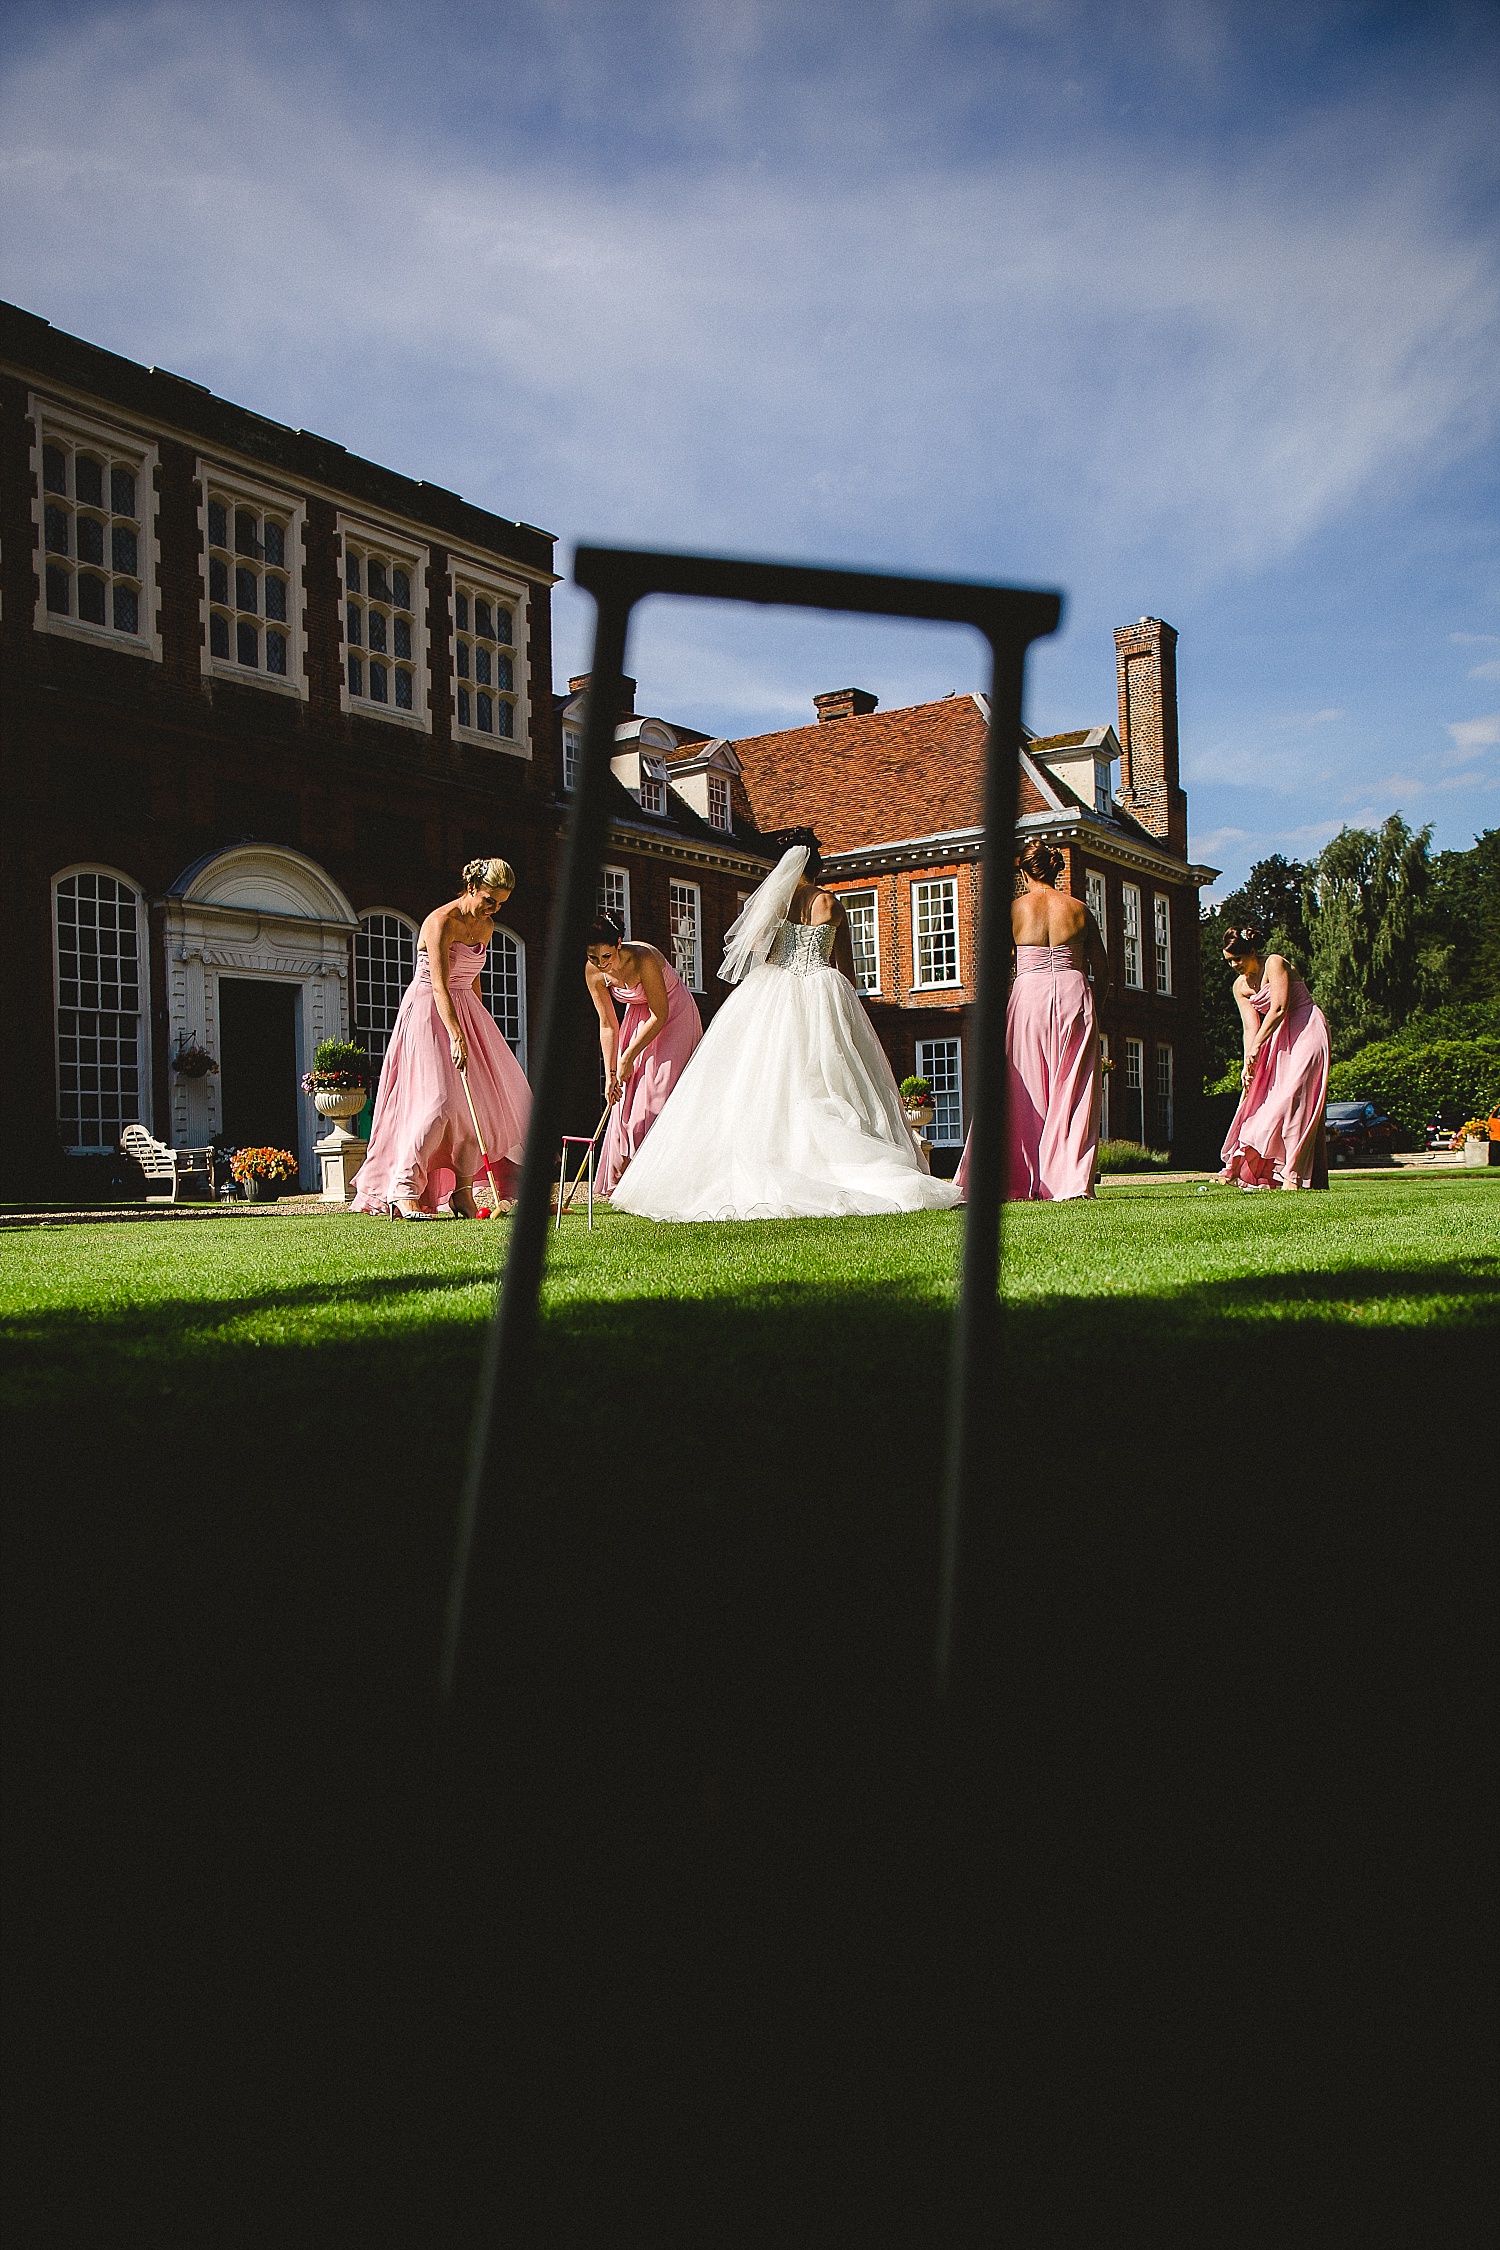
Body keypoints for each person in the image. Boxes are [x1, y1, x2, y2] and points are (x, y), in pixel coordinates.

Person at [610, 837, 962, 1222]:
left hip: (770, 989)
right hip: (819, 988)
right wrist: (850, 1002)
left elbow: (757, 948)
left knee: (764, 1079)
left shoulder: (775, 903)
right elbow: (847, 967)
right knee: (827, 1078)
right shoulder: (830, 903)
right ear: (817, 867)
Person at [350, 858, 531, 1218]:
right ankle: (404, 1190)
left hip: (465, 1011)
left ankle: (462, 1194)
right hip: (430, 1010)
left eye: (500, 904)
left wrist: (478, 1030)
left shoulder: (488, 926)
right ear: (473, 887)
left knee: (470, 1108)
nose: (493, 909)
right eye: (489, 900)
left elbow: (473, 979)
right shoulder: (441, 921)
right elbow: (439, 984)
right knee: (437, 1104)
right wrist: (455, 1034)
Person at [955, 837, 1110, 1203]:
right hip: (1075, 996)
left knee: (1020, 1088)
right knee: (1074, 1090)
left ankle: (1013, 1177)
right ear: (1054, 869)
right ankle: (1071, 1183)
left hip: (1029, 997)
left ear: (1023, 871)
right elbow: (1103, 970)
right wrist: (1095, 1010)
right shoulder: (1079, 909)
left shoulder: (1013, 909)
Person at [584, 914, 703, 1194]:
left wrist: (627, 1057)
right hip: (638, 1019)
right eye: (593, 957)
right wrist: (611, 1073)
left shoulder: (643, 958)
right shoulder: (593, 973)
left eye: (606, 956)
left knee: (659, 1093)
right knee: (627, 1099)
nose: (602, 964)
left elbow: (660, 1014)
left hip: (673, 1016)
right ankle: (631, 1179)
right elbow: (607, 1024)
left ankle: (665, 1181)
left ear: (619, 944)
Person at [1217, 926, 1330, 1190]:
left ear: (1253, 952)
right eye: (1229, 960)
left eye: (1238, 959)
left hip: (1305, 1028)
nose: (1234, 965)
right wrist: (1248, 1063)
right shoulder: (1240, 987)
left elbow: (1278, 1008)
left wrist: (1257, 1046)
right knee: (1263, 1101)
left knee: (1293, 1098)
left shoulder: (1275, 963)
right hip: (1275, 1039)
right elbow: (1250, 1028)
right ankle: (1278, 1173)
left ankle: (1293, 1175)